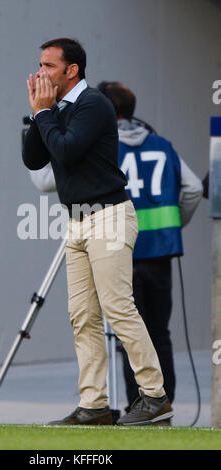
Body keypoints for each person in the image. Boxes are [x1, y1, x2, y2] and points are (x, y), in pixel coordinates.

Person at [22, 37, 173, 426]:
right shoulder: (56, 109)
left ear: (72, 71)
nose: (41, 73)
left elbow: (68, 150)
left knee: (118, 309)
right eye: (40, 65)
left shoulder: (93, 104)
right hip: (77, 220)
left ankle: (154, 397)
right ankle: (94, 405)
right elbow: (35, 158)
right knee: (82, 315)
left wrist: (43, 115)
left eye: (49, 66)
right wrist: (39, 113)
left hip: (108, 215)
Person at [97, 81, 203, 415]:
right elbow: (194, 188)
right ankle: (164, 404)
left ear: (106, 111)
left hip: (120, 251)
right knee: (160, 332)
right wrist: (173, 223)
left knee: (131, 333)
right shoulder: (162, 144)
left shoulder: (103, 146)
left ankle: (137, 406)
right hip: (160, 253)